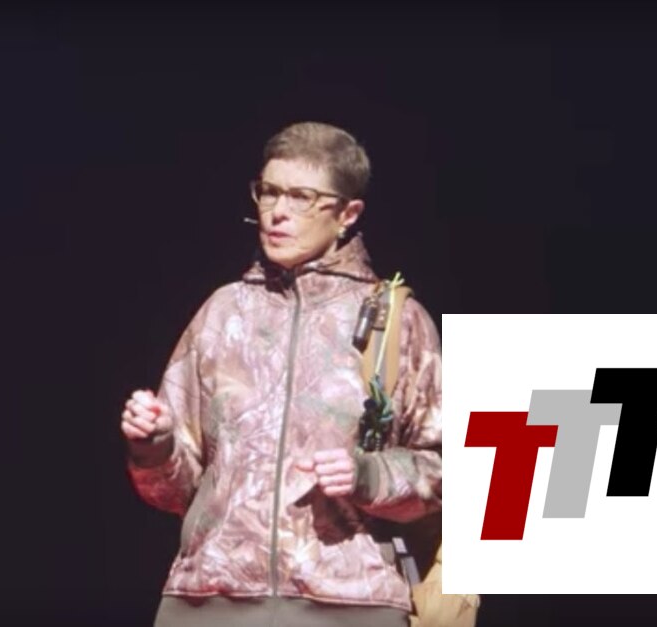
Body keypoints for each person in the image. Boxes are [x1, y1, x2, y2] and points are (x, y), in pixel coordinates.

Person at [120, 121, 443, 627]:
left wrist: (367, 475)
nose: (277, 211)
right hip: (210, 600)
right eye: (269, 192)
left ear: (348, 214)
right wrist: (155, 446)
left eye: (302, 197)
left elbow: (445, 471)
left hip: (349, 604)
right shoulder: (224, 313)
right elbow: (174, 492)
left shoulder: (395, 321)